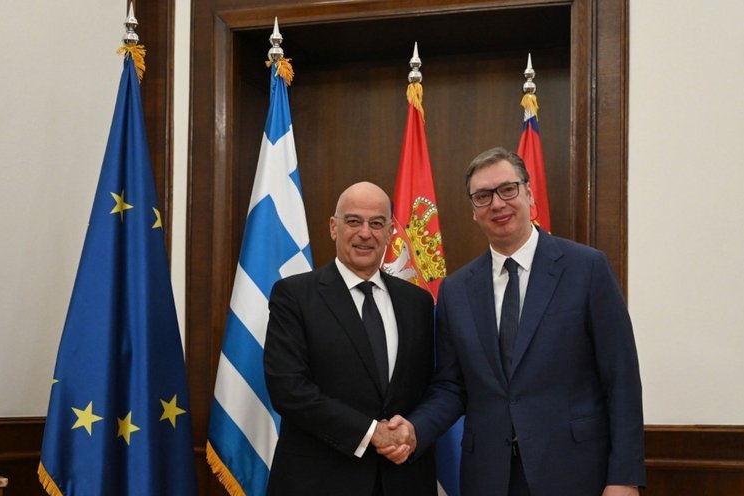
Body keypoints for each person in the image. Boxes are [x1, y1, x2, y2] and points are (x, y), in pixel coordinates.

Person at [383, 147, 646, 495]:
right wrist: (415, 429)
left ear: (529, 193)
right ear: (473, 210)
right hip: (489, 477)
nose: (497, 204)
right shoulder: (456, 290)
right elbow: (451, 386)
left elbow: (621, 379)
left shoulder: (587, 269)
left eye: (508, 189)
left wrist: (624, 478)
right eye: (483, 196)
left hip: (575, 472)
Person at [263, 181, 437, 496]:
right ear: (334, 227)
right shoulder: (294, 296)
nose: (365, 233)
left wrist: (412, 431)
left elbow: (431, 385)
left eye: (377, 224)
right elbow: (289, 390)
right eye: (354, 221)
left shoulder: (418, 302)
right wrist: (371, 432)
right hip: (320, 482)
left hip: (404, 479)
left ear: (390, 233)